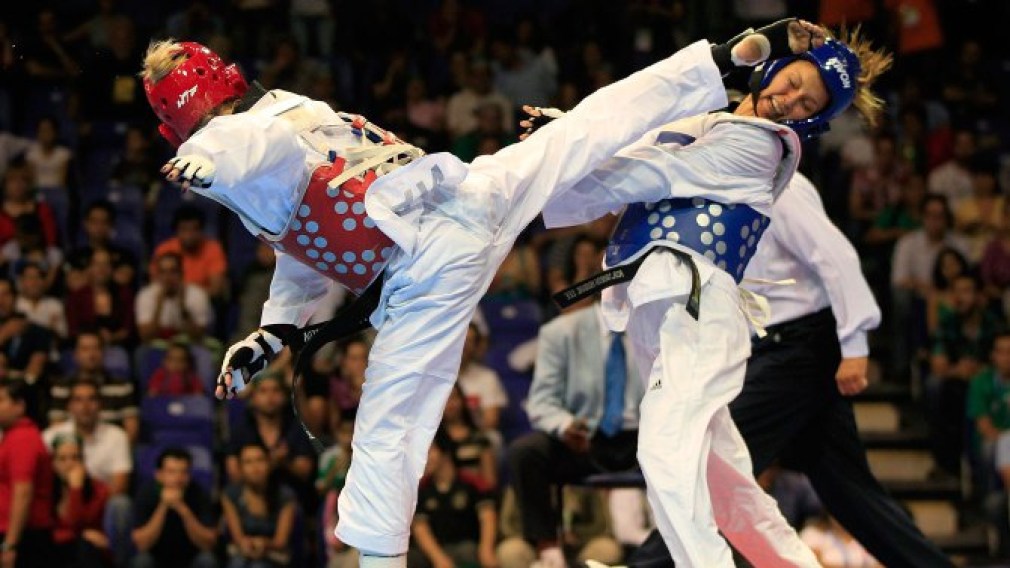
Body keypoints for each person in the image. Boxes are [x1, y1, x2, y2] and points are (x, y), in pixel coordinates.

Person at [144, 24, 818, 565]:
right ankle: (717, 60)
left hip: (426, 260)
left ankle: (380, 559)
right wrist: (271, 334)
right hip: (466, 194)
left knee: (392, 412)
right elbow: (299, 245)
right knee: (577, 133)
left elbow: (255, 147)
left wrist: (213, 154)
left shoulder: (247, 135)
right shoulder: (275, 126)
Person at [532, 26, 891, 568]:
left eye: (807, 104)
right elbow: (640, 137)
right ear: (774, 69)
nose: (791, 100)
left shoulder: (759, 146)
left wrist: (550, 164)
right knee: (725, 485)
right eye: (793, 82)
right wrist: (564, 138)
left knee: (665, 451)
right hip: (664, 308)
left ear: (811, 122)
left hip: (697, 311)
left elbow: (647, 173)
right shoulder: (713, 119)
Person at [626, 174, 953, 568]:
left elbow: (837, 257)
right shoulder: (716, 192)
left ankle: (643, 565)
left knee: (712, 463)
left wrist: (855, 345)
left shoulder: (781, 186)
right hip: (769, 346)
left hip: (798, 347)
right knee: (855, 498)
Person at [509, 288, 644, 568]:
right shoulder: (561, 332)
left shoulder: (659, 328)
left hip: (645, 439)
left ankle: (694, 546)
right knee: (527, 452)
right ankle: (548, 550)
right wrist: (566, 426)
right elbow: (542, 402)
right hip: (584, 439)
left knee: (704, 444)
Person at [131, 447, 217, 568]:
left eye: (184, 472)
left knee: (207, 560)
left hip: (190, 558)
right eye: (171, 472)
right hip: (156, 558)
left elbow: (208, 544)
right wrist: (163, 506)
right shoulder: (146, 493)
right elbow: (142, 545)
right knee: (142, 561)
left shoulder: (198, 494)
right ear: (159, 475)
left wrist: (183, 509)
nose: (178, 478)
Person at [0, 379, 54, 568]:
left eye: (1, 400)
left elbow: (23, 493)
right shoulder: (12, 436)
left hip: (24, 538)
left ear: (19, 406)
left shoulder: (23, 438)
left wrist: (10, 545)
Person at [221, 443, 297, 568]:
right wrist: (246, 544)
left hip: (275, 555)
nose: (255, 467)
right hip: (243, 552)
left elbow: (281, 541)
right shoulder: (230, 495)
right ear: (240, 468)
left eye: (260, 460)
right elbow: (237, 537)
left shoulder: (285, 495)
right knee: (237, 564)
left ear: (269, 463)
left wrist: (265, 544)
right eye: (248, 462)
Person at [49, 433, 111, 568]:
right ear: (53, 463)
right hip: (55, 551)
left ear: (83, 462)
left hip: (86, 553)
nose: (69, 464)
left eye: (75, 458)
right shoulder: (45, 490)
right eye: (62, 459)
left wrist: (75, 490)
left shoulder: (99, 490)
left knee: (84, 547)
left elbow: (77, 523)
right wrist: (78, 534)